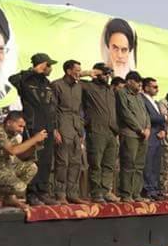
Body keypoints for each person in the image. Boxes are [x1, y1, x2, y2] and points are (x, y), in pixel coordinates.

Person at [9, 52, 58, 206]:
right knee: (34, 160)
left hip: (49, 127)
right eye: (48, 65)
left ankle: (43, 192)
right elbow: (12, 79)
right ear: (42, 65)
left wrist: (55, 128)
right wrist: (32, 70)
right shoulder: (25, 80)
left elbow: (52, 106)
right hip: (33, 126)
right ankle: (32, 194)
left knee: (46, 161)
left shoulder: (47, 83)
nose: (50, 68)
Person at [0, 111, 47, 208]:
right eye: (20, 126)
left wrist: (34, 146)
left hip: (2, 169)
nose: (21, 130)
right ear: (9, 122)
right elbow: (12, 150)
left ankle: (9, 198)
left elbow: (19, 156)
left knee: (31, 167)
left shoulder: (11, 135)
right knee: (20, 187)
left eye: (23, 127)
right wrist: (34, 139)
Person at [80, 62, 119, 203]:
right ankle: (96, 193)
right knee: (96, 163)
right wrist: (88, 72)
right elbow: (72, 78)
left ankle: (105, 190)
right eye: (104, 73)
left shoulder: (110, 90)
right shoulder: (88, 87)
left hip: (111, 132)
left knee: (109, 165)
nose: (107, 76)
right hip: (96, 130)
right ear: (97, 73)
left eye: (109, 73)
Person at [50, 59, 87, 204]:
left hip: (76, 127)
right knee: (62, 162)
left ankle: (72, 194)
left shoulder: (79, 87)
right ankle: (60, 194)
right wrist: (54, 130)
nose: (79, 73)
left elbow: (80, 110)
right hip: (62, 125)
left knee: (76, 162)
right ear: (68, 71)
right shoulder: (56, 85)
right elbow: (52, 109)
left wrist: (82, 131)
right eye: (77, 70)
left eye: (80, 70)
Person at [116, 71, 151, 202]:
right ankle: (126, 194)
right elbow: (125, 113)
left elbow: (146, 114)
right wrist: (139, 129)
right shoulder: (122, 93)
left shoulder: (139, 96)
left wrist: (147, 128)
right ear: (129, 81)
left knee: (139, 165)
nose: (140, 85)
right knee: (128, 164)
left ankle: (136, 193)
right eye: (137, 82)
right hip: (130, 134)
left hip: (143, 135)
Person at [140, 77, 166, 200]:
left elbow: (159, 118)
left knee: (156, 164)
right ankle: (148, 189)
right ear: (146, 88)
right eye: (154, 87)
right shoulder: (142, 99)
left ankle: (155, 188)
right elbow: (149, 117)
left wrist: (163, 129)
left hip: (157, 136)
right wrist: (165, 118)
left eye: (157, 86)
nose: (157, 89)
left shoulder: (155, 102)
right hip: (149, 135)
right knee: (148, 163)